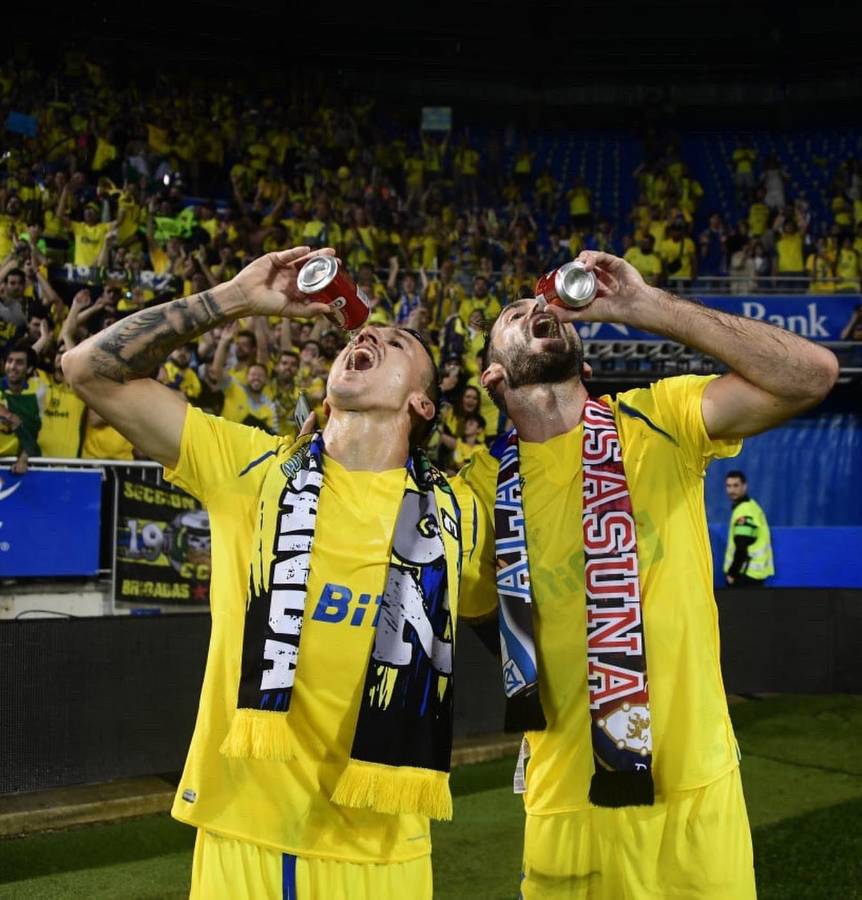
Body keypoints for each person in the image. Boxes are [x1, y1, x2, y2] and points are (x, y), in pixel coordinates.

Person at [62, 245, 494, 900]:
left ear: (422, 405)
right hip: (246, 839)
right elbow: (87, 369)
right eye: (368, 333)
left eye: (398, 341)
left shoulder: (459, 514)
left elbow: (518, 619)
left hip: (382, 849)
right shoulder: (253, 470)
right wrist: (233, 297)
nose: (371, 335)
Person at [461, 249, 838, 898]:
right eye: (514, 315)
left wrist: (644, 305)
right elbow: (480, 624)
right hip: (571, 804)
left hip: (699, 794)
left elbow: (810, 374)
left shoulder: (658, 417)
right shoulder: (477, 491)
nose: (535, 310)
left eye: (540, 305)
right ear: (494, 376)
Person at [723, 470, 774, 587]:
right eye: (728, 486)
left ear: (744, 486)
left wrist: (732, 573)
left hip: (745, 575)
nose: (731, 490)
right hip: (753, 574)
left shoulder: (744, 511)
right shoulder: (752, 506)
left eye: (736, 485)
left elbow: (742, 546)